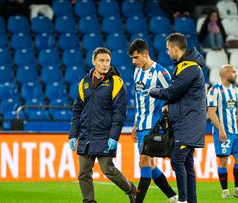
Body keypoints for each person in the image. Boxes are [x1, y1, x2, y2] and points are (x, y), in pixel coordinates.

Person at [69, 47, 137, 203]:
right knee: (84, 173)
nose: (105, 64)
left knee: (108, 169)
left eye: (107, 60)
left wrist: (114, 137)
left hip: (104, 135)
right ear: (94, 62)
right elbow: (77, 110)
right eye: (101, 60)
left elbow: (119, 113)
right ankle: (88, 201)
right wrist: (73, 134)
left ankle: (132, 190)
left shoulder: (116, 82)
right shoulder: (84, 83)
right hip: (86, 135)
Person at [148, 33, 206, 203]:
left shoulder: (189, 68)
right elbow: (180, 95)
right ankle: (190, 200)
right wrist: (170, 106)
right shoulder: (185, 66)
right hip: (186, 122)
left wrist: (153, 91)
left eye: (168, 49)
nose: (167, 52)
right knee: (187, 163)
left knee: (177, 159)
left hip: (188, 123)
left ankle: (182, 199)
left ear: (174, 48)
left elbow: (173, 92)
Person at [128, 39, 178, 203]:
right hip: (141, 125)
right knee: (150, 165)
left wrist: (167, 110)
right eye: (132, 59)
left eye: (136, 58)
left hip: (154, 126)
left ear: (146, 54)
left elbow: (172, 95)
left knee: (143, 162)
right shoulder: (137, 72)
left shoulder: (161, 73)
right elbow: (138, 99)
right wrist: (135, 125)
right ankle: (172, 196)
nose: (134, 62)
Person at [207, 64, 238, 199]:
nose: (236, 73)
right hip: (223, 132)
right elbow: (211, 112)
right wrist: (221, 129)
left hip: (235, 132)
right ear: (226, 73)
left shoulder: (235, 90)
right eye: (234, 72)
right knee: (223, 161)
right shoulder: (214, 90)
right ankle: (225, 192)